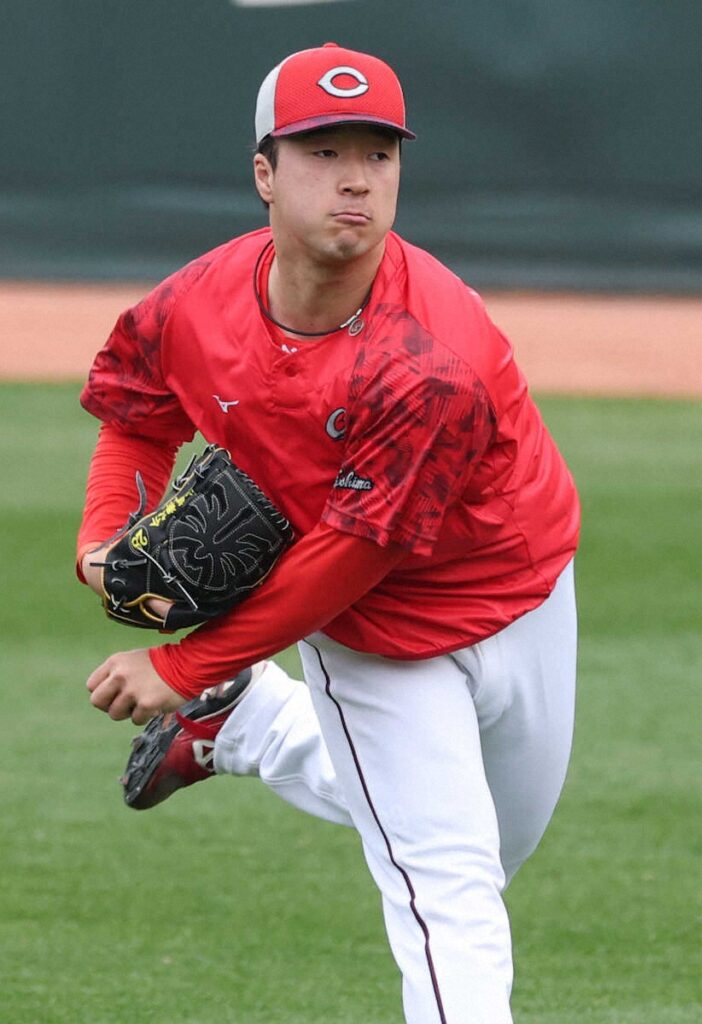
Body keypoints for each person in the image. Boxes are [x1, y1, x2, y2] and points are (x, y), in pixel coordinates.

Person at [77, 42, 580, 1024]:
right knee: (447, 884)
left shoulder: (430, 357)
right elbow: (139, 412)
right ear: (264, 173)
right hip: (371, 634)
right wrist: (105, 535)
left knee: (493, 846)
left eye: (378, 153)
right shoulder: (197, 304)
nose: (356, 177)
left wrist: (186, 668)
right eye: (322, 150)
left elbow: (361, 545)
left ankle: (247, 719)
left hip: (516, 590)